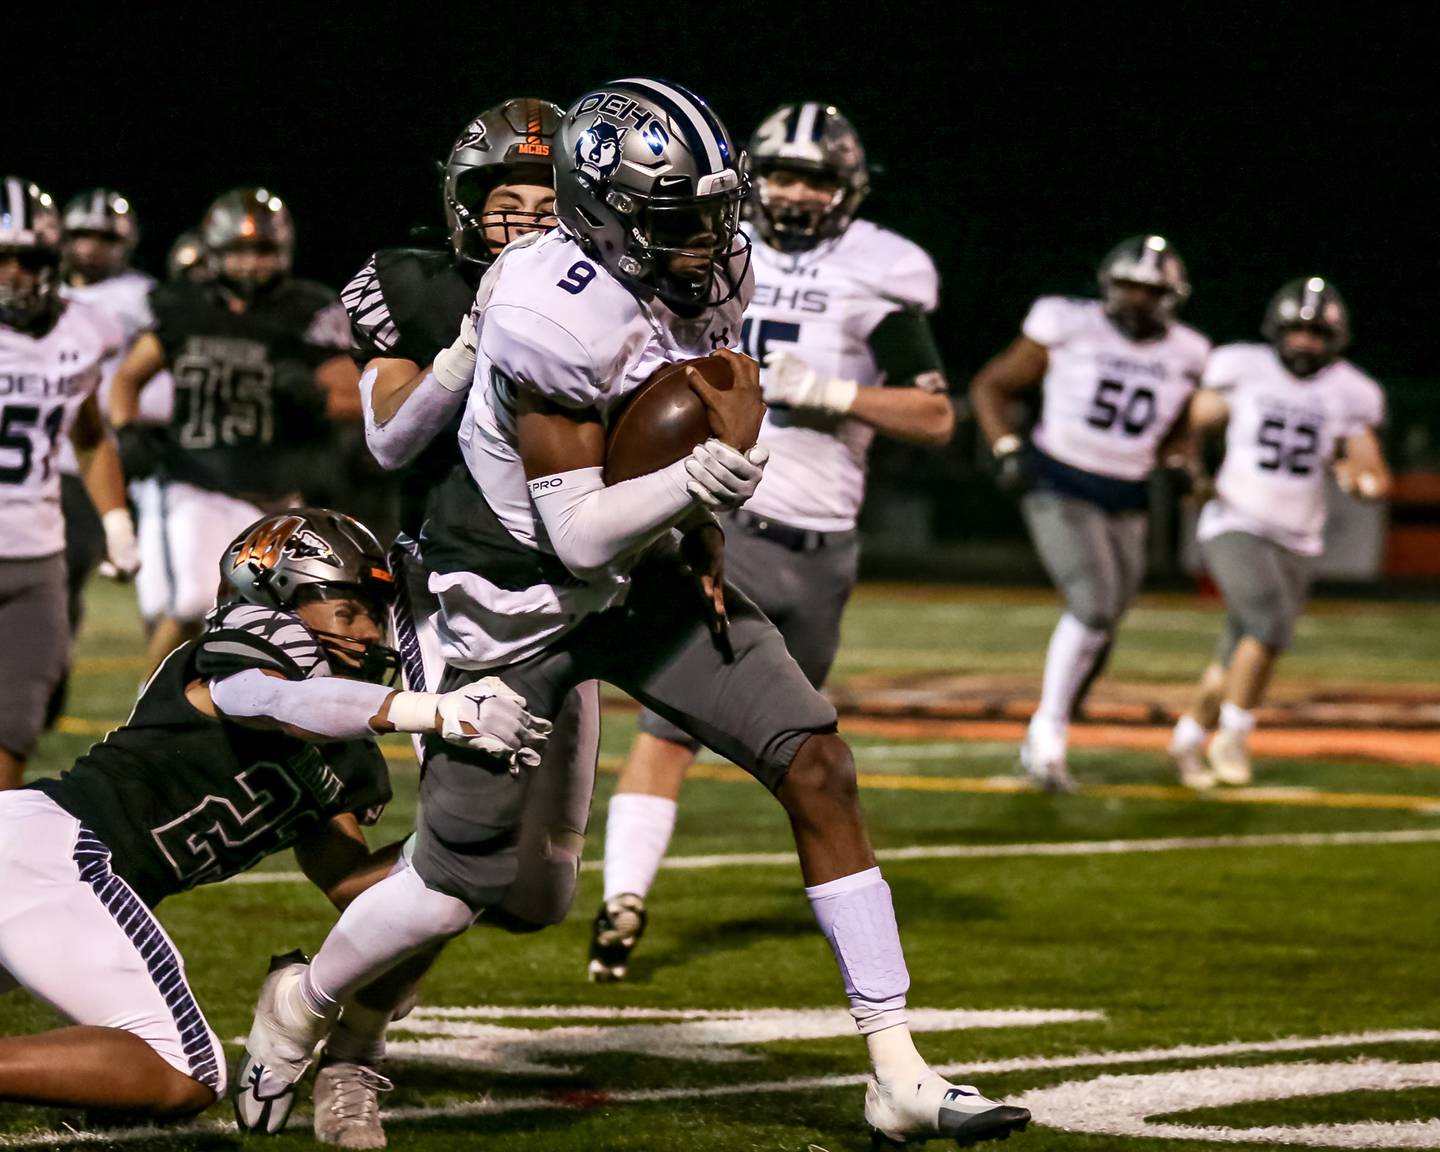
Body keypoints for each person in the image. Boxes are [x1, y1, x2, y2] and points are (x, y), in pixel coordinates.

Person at [237, 79, 1030, 1149]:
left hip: (641, 566)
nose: (708, 239)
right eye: (677, 218)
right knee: (456, 880)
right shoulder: (540, 307)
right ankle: (310, 1002)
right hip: (506, 595)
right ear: (602, 211)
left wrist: (700, 537)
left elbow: (673, 413)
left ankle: (896, 1069)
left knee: (817, 763)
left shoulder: (709, 258)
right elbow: (574, 532)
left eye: (715, 209)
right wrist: (711, 475)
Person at [0, 508, 548, 1121]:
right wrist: (439, 710)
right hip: (59, 850)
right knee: (184, 1067)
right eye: (348, 610)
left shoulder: (347, 758)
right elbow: (278, 700)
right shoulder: (244, 654)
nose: (369, 633)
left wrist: (447, 846)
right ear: (273, 598)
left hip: (50, 866)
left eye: (373, 613)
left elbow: (346, 883)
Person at [590, 101, 954, 983]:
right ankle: (621, 903)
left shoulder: (883, 268)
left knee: (801, 742)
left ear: (848, 188)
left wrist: (830, 392)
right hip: (727, 521)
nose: (794, 192)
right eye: (781, 173)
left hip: (826, 546)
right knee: (673, 723)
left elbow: (936, 413)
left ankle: (855, 957)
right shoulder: (705, 245)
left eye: (815, 177)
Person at [312, 98, 602, 1150]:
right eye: (504, 205)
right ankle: (344, 1044)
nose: (523, 222)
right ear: (465, 210)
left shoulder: (612, 298)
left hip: (577, 597)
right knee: (459, 861)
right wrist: (470, 345)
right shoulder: (414, 284)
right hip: (460, 598)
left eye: (547, 204)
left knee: (538, 895)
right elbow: (389, 442)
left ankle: (340, 953)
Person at [969, 235, 1211, 792]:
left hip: (1127, 493)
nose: (1137, 299)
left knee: (1106, 623)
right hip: (1061, 479)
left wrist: (1181, 463)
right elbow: (992, 385)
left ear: (1172, 297)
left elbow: (1176, 430)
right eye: (1128, 286)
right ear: (1107, 285)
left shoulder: (1190, 351)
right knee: (1094, 605)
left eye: (1151, 290)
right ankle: (1048, 736)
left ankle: (1048, 732)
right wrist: (1006, 448)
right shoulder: (1067, 321)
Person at [108, 188, 361, 674]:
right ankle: (148, 709)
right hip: (197, 480)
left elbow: (354, 399)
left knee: (273, 618)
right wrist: (126, 428)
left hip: (276, 491)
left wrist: (310, 393)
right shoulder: (184, 306)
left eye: (261, 251)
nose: (250, 263)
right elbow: (128, 377)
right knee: (193, 603)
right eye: (238, 251)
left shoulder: (307, 309)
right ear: (214, 253)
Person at [1170, 278, 1390, 788]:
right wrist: (1190, 469)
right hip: (1236, 520)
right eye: (1296, 330)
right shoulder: (1243, 368)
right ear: (1276, 330)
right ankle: (1233, 736)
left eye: (1316, 333)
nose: (1305, 342)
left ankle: (1185, 739)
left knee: (1237, 652)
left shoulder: (1351, 390)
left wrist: (1362, 481)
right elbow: (1187, 423)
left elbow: (1371, 470)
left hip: (1299, 536)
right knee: (1268, 625)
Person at [0, 176, 137, 790]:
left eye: (26, 259)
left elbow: (88, 431)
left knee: (15, 728)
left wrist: (115, 519)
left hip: (38, 560)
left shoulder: (87, 331)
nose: (12, 274)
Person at [45, 190, 175, 721]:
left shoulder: (145, 297)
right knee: (53, 579)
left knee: (152, 592)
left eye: (104, 238)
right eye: (81, 236)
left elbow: (164, 380)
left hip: (117, 462)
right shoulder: (38, 291)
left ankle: (158, 702)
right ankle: (39, 686)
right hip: (49, 463)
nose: (91, 249)